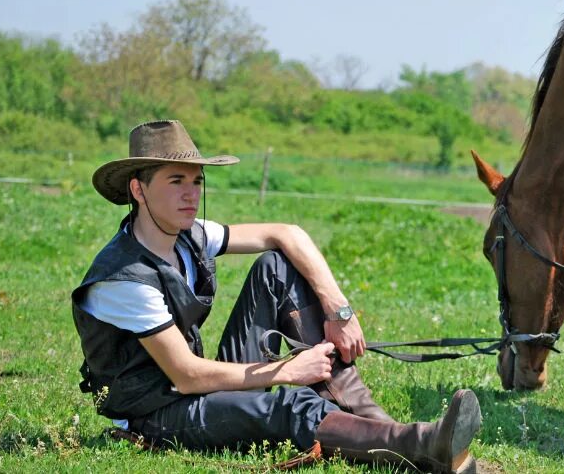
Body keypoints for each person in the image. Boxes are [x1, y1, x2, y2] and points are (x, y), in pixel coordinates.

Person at [71, 120, 481, 473]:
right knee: (292, 404)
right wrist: (287, 371)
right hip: (156, 414)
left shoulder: (187, 236)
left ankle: (381, 426)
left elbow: (285, 234)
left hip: (196, 386)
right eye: (175, 181)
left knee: (276, 268)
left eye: (196, 181)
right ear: (138, 190)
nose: (190, 194)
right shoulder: (125, 279)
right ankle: (422, 446)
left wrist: (339, 310)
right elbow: (186, 375)